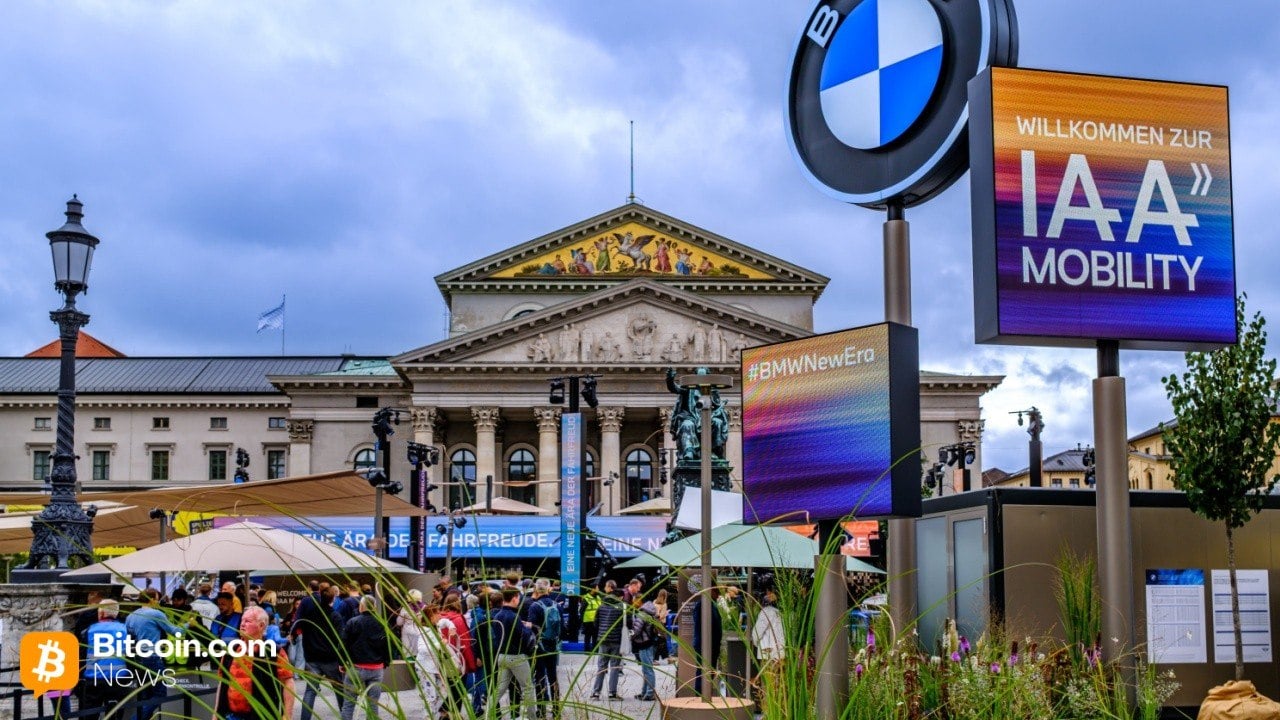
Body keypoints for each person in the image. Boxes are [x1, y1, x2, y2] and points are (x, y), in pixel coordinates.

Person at [216, 606, 296, 720]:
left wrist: (287, 716)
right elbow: (222, 683)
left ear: (261, 625)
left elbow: (288, 683)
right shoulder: (231, 650)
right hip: (230, 716)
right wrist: (216, 714)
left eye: (247, 621)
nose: (242, 624)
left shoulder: (272, 652)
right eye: (242, 620)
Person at [124, 588, 179, 719]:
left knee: (145, 695)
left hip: (138, 658)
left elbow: (129, 635)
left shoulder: (131, 616)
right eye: (157, 599)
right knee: (160, 694)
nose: (158, 602)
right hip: (153, 658)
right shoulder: (156, 614)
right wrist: (189, 625)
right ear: (152, 600)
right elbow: (175, 632)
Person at [297, 584, 346, 720]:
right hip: (330, 658)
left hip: (312, 657)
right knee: (339, 689)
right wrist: (342, 660)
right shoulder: (335, 616)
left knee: (310, 691)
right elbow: (340, 639)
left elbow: (301, 629)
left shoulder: (309, 615)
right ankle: (345, 716)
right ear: (333, 599)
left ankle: (305, 718)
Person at [486, 587, 535, 720]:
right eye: (518, 597)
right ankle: (533, 717)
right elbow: (523, 636)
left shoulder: (498, 615)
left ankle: (487, 715)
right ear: (514, 598)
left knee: (499, 689)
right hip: (516, 656)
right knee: (528, 688)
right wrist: (527, 628)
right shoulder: (514, 616)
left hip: (502, 656)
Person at [340, 595, 391, 720]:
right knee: (373, 704)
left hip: (356, 667)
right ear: (374, 607)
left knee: (349, 703)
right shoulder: (382, 623)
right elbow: (388, 645)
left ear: (361, 606)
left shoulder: (353, 622)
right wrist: (386, 662)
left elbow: (343, 644)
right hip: (376, 668)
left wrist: (342, 662)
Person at [80, 599, 129, 720]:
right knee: (115, 714)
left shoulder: (89, 630)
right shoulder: (125, 629)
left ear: (101, 613)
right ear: (116, 614)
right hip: (118, 678)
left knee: (90, 714)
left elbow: (82, 654)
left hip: (94, 678)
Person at [528, 579, 562, 717]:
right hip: (553, 645)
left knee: (540, 677)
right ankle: (556, 709)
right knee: (553, 677)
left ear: (536, 590)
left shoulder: (534, 606)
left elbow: (531, 628)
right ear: (549, 589)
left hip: (539, 647)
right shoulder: (557, 605)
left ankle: (541, 710)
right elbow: (562, 627)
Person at [589, 586, 625, 701]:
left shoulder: (601, 606)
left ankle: (596, 693)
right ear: (620, 597)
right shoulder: (622, 607)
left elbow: (595, 623)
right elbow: (628, 623)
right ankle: (612, 694)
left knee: (601, 667)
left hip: (603, 639)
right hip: (617, 640)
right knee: (615, 667)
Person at [691, 588, 723, 696]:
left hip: (712, 645)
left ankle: (705, 694)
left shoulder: (711, 605)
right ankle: (700, 696)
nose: (718, 596)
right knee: (703, 671)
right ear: (710, 591)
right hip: (705, 645)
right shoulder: (702, 605)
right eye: (716, 592)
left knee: (709, 671)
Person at [752, 590, 784, 666]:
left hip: (768, 654)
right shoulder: (781, 612)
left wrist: (755, 643)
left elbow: (757, 632)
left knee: (768, 672)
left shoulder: (766, 611)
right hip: (781, 653)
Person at [652, 589, 672, 664]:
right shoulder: (664, 604)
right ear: (665, 596)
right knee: (662, 641)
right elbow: (661, 616)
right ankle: (660, 658)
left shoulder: (654, 601)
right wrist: (666, 613)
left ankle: (666, 657)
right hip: (660, 625)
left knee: (658, 641)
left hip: (654, 624)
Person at [580, 586, 601, 651]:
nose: (598, 589)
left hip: (596, 621)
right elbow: (581, 610)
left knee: (595, 636)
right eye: (597, 588)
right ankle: (587, 650)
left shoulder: (598, 597)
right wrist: (582, 621)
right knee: (588, 636)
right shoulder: (586, 598)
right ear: (592, 589)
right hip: (588, 621)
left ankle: (595, 650)